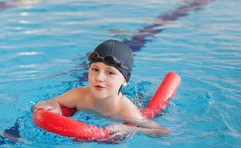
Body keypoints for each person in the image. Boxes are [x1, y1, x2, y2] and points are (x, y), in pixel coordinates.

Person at [33, 39, 170, 138]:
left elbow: (162, 131)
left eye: (110, 72)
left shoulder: (125, 110)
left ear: (124, 81)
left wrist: (131, 130)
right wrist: (55, 105)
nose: (99, 78)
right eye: (95, 69)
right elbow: (42, 105)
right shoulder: (80, 95)